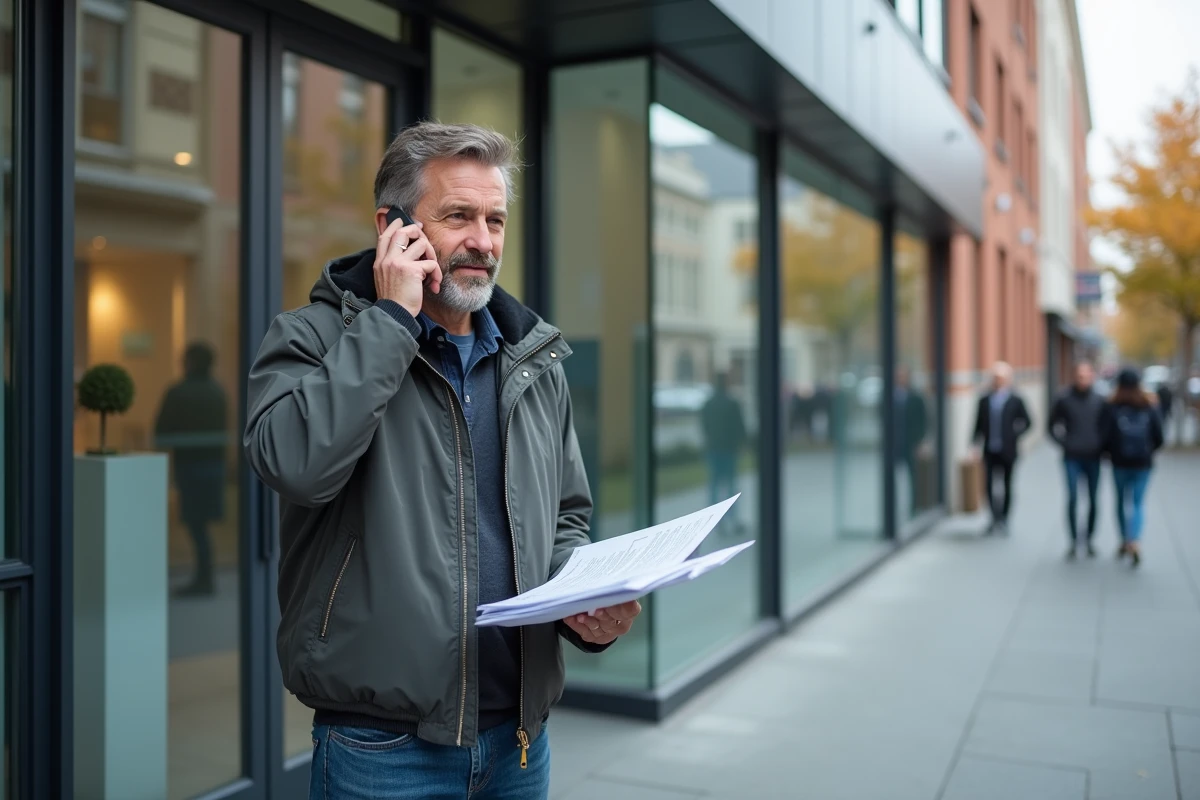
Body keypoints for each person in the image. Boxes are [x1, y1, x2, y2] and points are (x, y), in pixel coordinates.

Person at [244, 122, 641, 799]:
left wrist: (587, 601)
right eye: (458, 216)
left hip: (519, 741)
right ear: (392, 226)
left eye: (495, 219)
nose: (483, 242)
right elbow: (296, 465)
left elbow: (566, 517)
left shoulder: (533, 359)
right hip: (381, 747)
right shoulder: (312, 338)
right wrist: (391, 323)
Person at [154, 342, 229, 596]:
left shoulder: (178, 392)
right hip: (214, 466)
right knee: (201, 526)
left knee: (197, 526)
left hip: (190, 467)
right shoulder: (217, 392)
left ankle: (204, 579)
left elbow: (161, 430)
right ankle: (204, 577)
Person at [1101, 368, 1164, 567]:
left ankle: (1123, 539)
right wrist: (1148, 451)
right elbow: (1159, 436)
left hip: (1119, 462)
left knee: (1121, 501)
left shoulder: (1112, 405)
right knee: (1137, 502)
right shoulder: (1149, 404)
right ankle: (1134, 540)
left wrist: (1110, 453)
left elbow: (1105, 435)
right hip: (1143, 463)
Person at [1047, 361, 1106, 559]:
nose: (1082, 379)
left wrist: (1101, 445)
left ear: (1091, 377)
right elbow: (1051, 426)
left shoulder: (1099, 400)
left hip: (1093, 457)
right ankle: (1073, 541)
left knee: (1092, 499)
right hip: (1071, 457)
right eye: (1079, 376)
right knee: (1072, 498)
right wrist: (1064, 443)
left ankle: (1088, 539)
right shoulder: (1064, 399)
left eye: (1086, 375)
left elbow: (1107, 427)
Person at [972, 361, 1032, 534]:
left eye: (1001, 378)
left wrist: (1014, 434)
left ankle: (1004, 519)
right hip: (990, 449)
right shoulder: (984, 400)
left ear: (1007, 380)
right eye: (995, 378)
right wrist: (974, 445)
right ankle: (993, 518)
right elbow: (977, 424)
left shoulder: (1015, 399)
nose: (997, 381)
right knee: (988, 485)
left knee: (1007, 485)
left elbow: (1028, 421)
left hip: (1008, 450)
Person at [701, 371, 746, 533]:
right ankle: (732, 519)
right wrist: (742, 444)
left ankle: (715, 521)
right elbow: (740, 427)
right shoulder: (732, 403)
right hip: (729, 449)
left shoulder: (708, 404)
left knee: (714, 484)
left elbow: (704, 426)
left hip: (714, 448)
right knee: (730, 485)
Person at [893, 366, 928, 518]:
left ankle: (914, 506)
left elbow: (924, 421)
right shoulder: (890, 396)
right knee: (891, 477)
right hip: (894, 444)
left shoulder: (916, 397)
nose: (900, 379)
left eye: (903, 376)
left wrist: (920, 442)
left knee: (913, 476)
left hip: (911, 443)